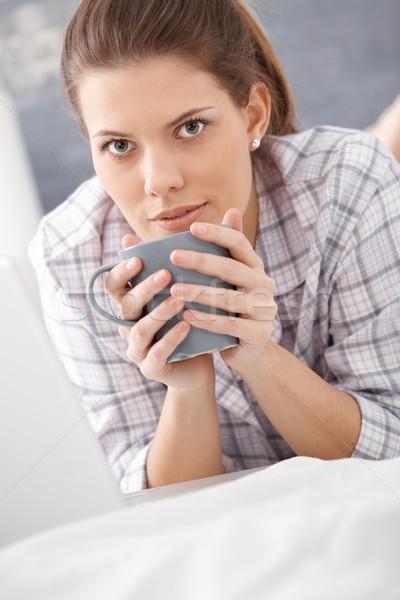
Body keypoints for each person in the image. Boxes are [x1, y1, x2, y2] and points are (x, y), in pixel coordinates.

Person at [29, 0, 400, 492]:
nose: (160, 181)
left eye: (190, 128)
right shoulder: (69, 259)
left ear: (252, 117)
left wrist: (260, 356)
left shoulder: (349, 183)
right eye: (118, 146)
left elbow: (392, 449)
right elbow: (148, 512)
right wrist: (188, 388)